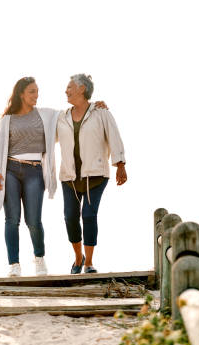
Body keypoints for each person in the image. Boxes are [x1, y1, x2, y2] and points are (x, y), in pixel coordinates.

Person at [0, 76, 107, 277]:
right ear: (21, 94)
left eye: (37, 91)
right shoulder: (7, 119)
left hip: (34, 171)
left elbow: (76, 111)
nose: (36, 95)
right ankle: (14, 264)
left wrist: (95, 105)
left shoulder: (47, 115)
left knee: (34, 220)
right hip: (10, 169)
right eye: (32, 92)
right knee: (12, 219)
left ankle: (39, 258)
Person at [56, 74, 127, 274]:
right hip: (69, 176)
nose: (66, 90)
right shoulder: (61, 117)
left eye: (69, 87)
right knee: (70, 217)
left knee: (88, 214)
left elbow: (114, 135)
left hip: (95, 175)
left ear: (81, 89)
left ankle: (89, 263)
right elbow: (45, 135)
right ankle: (78, 257)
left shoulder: (101, 112)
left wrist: (120, 163)